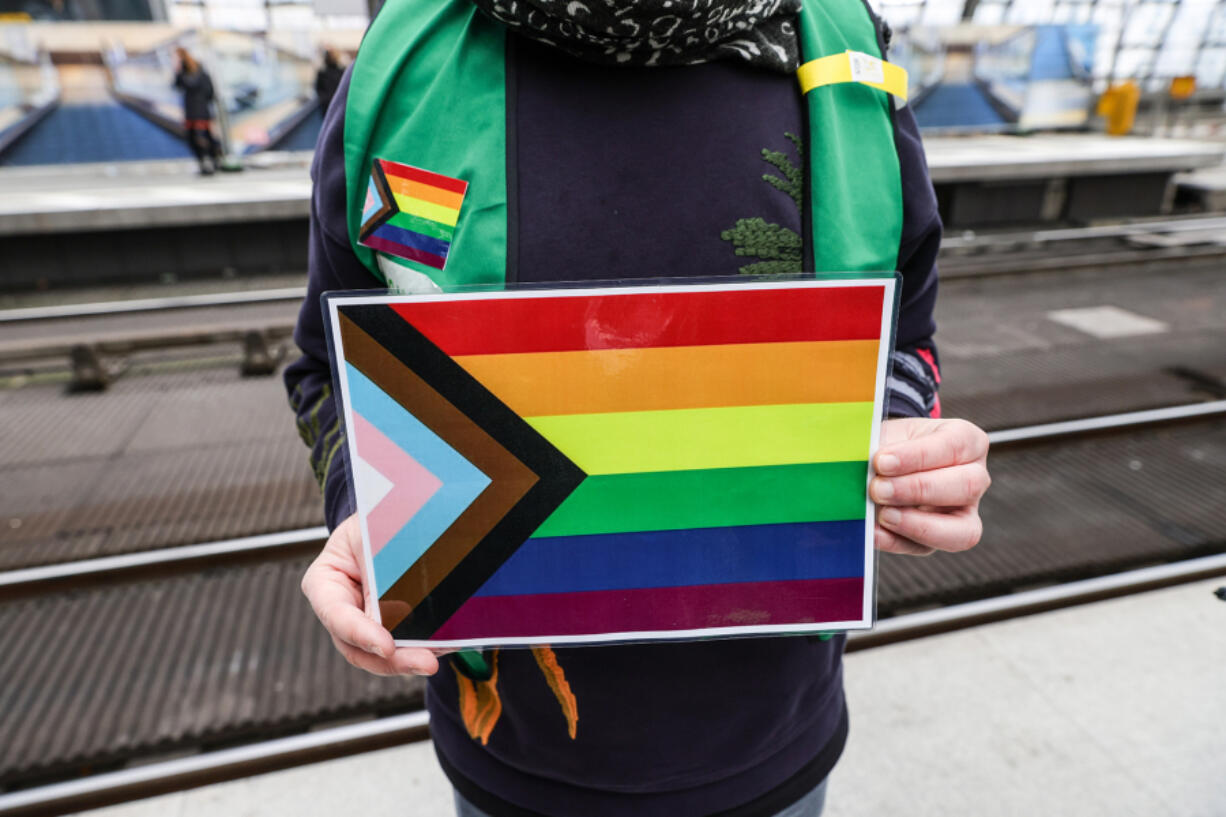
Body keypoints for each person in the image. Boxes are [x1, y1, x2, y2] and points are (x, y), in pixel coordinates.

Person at [285, 0, 992, 814]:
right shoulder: (401, 67)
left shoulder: (845, 55)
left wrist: (913, 454)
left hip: (774, 757)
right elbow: (327, 369)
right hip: (507, 764)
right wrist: (362, 508)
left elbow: (905, 343)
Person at [173, 47, 222, 175]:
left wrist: (178, 72)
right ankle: (214, 161)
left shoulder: (185, 76)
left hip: (192, 112)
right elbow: (210, 93)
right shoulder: (203, 75)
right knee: (206, 137)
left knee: (195, 138)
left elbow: (177, 85)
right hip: (203, 111)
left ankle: (205, 163)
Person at [315, 49, 344, 116]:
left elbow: (318, 89)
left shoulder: (322, 73)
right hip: (338, 107)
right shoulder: (342, 72)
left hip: (327, 107)